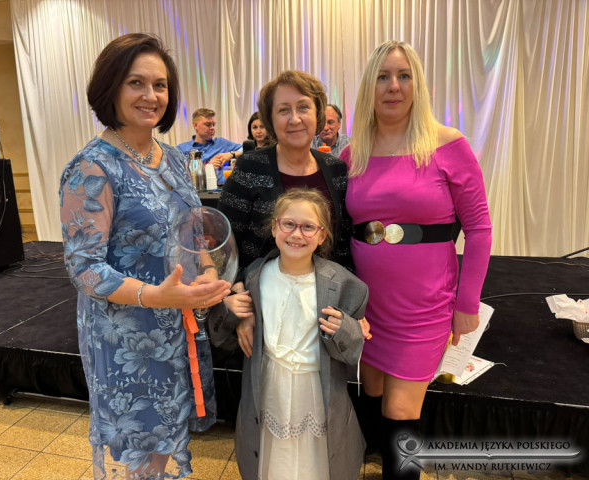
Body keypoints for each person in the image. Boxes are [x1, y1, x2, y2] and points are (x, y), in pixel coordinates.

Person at [59, 33, 231, 480]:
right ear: (111, 87)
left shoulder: (172, 158)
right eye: (136, 83)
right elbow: (84, 269)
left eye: (160, 85)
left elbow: (192, 230)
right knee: (142, 452)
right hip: (128, 337)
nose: (150, 96)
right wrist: (158, 296)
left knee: (166, 442)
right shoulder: (93, 167)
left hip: (177, 324)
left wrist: (207, 270)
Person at [340, 41, 492, 479]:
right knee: (372, 398)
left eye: (404, 76)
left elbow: (479, 228)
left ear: (417, 84)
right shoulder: (353, 153)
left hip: (424, 306)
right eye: (383, 77)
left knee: (400, 412)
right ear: (369, 87)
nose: (394, 86)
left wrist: (467, 304)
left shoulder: (448, 145)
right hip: (367, 306)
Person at [209, 187, 369, 480]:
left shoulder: (347, 286)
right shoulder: (255, 276)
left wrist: (345, 328)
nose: (297, 234)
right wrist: (231, 311)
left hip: (317, 392)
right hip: (270, 388)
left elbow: (353, 351)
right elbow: (222, 339)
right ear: (274, 228)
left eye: (308, 227)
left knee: (316, 464)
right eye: (288, 224)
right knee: (274, 462)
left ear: (322, 235)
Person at [218, 70, 354, 275]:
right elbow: (224, 240)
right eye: (283, 110)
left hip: (325, 290)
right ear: (271, 120)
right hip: (258, 289)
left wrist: (345, 289)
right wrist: (235, 285)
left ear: (317, 114)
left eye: (303, 107)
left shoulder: (336, 170)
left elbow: (343, 244)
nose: (295, 119)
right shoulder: (250, 166)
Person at [176, 108, 242, 185]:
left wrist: (231, 154)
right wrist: (209, 168)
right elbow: (178, 177)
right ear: (195, 125)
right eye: (208, 124)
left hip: (221, 189)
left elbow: (247, 149)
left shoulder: (222, 143)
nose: (212, 128)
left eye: (214, 124)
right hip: (196, 190)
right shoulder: (181, 149)